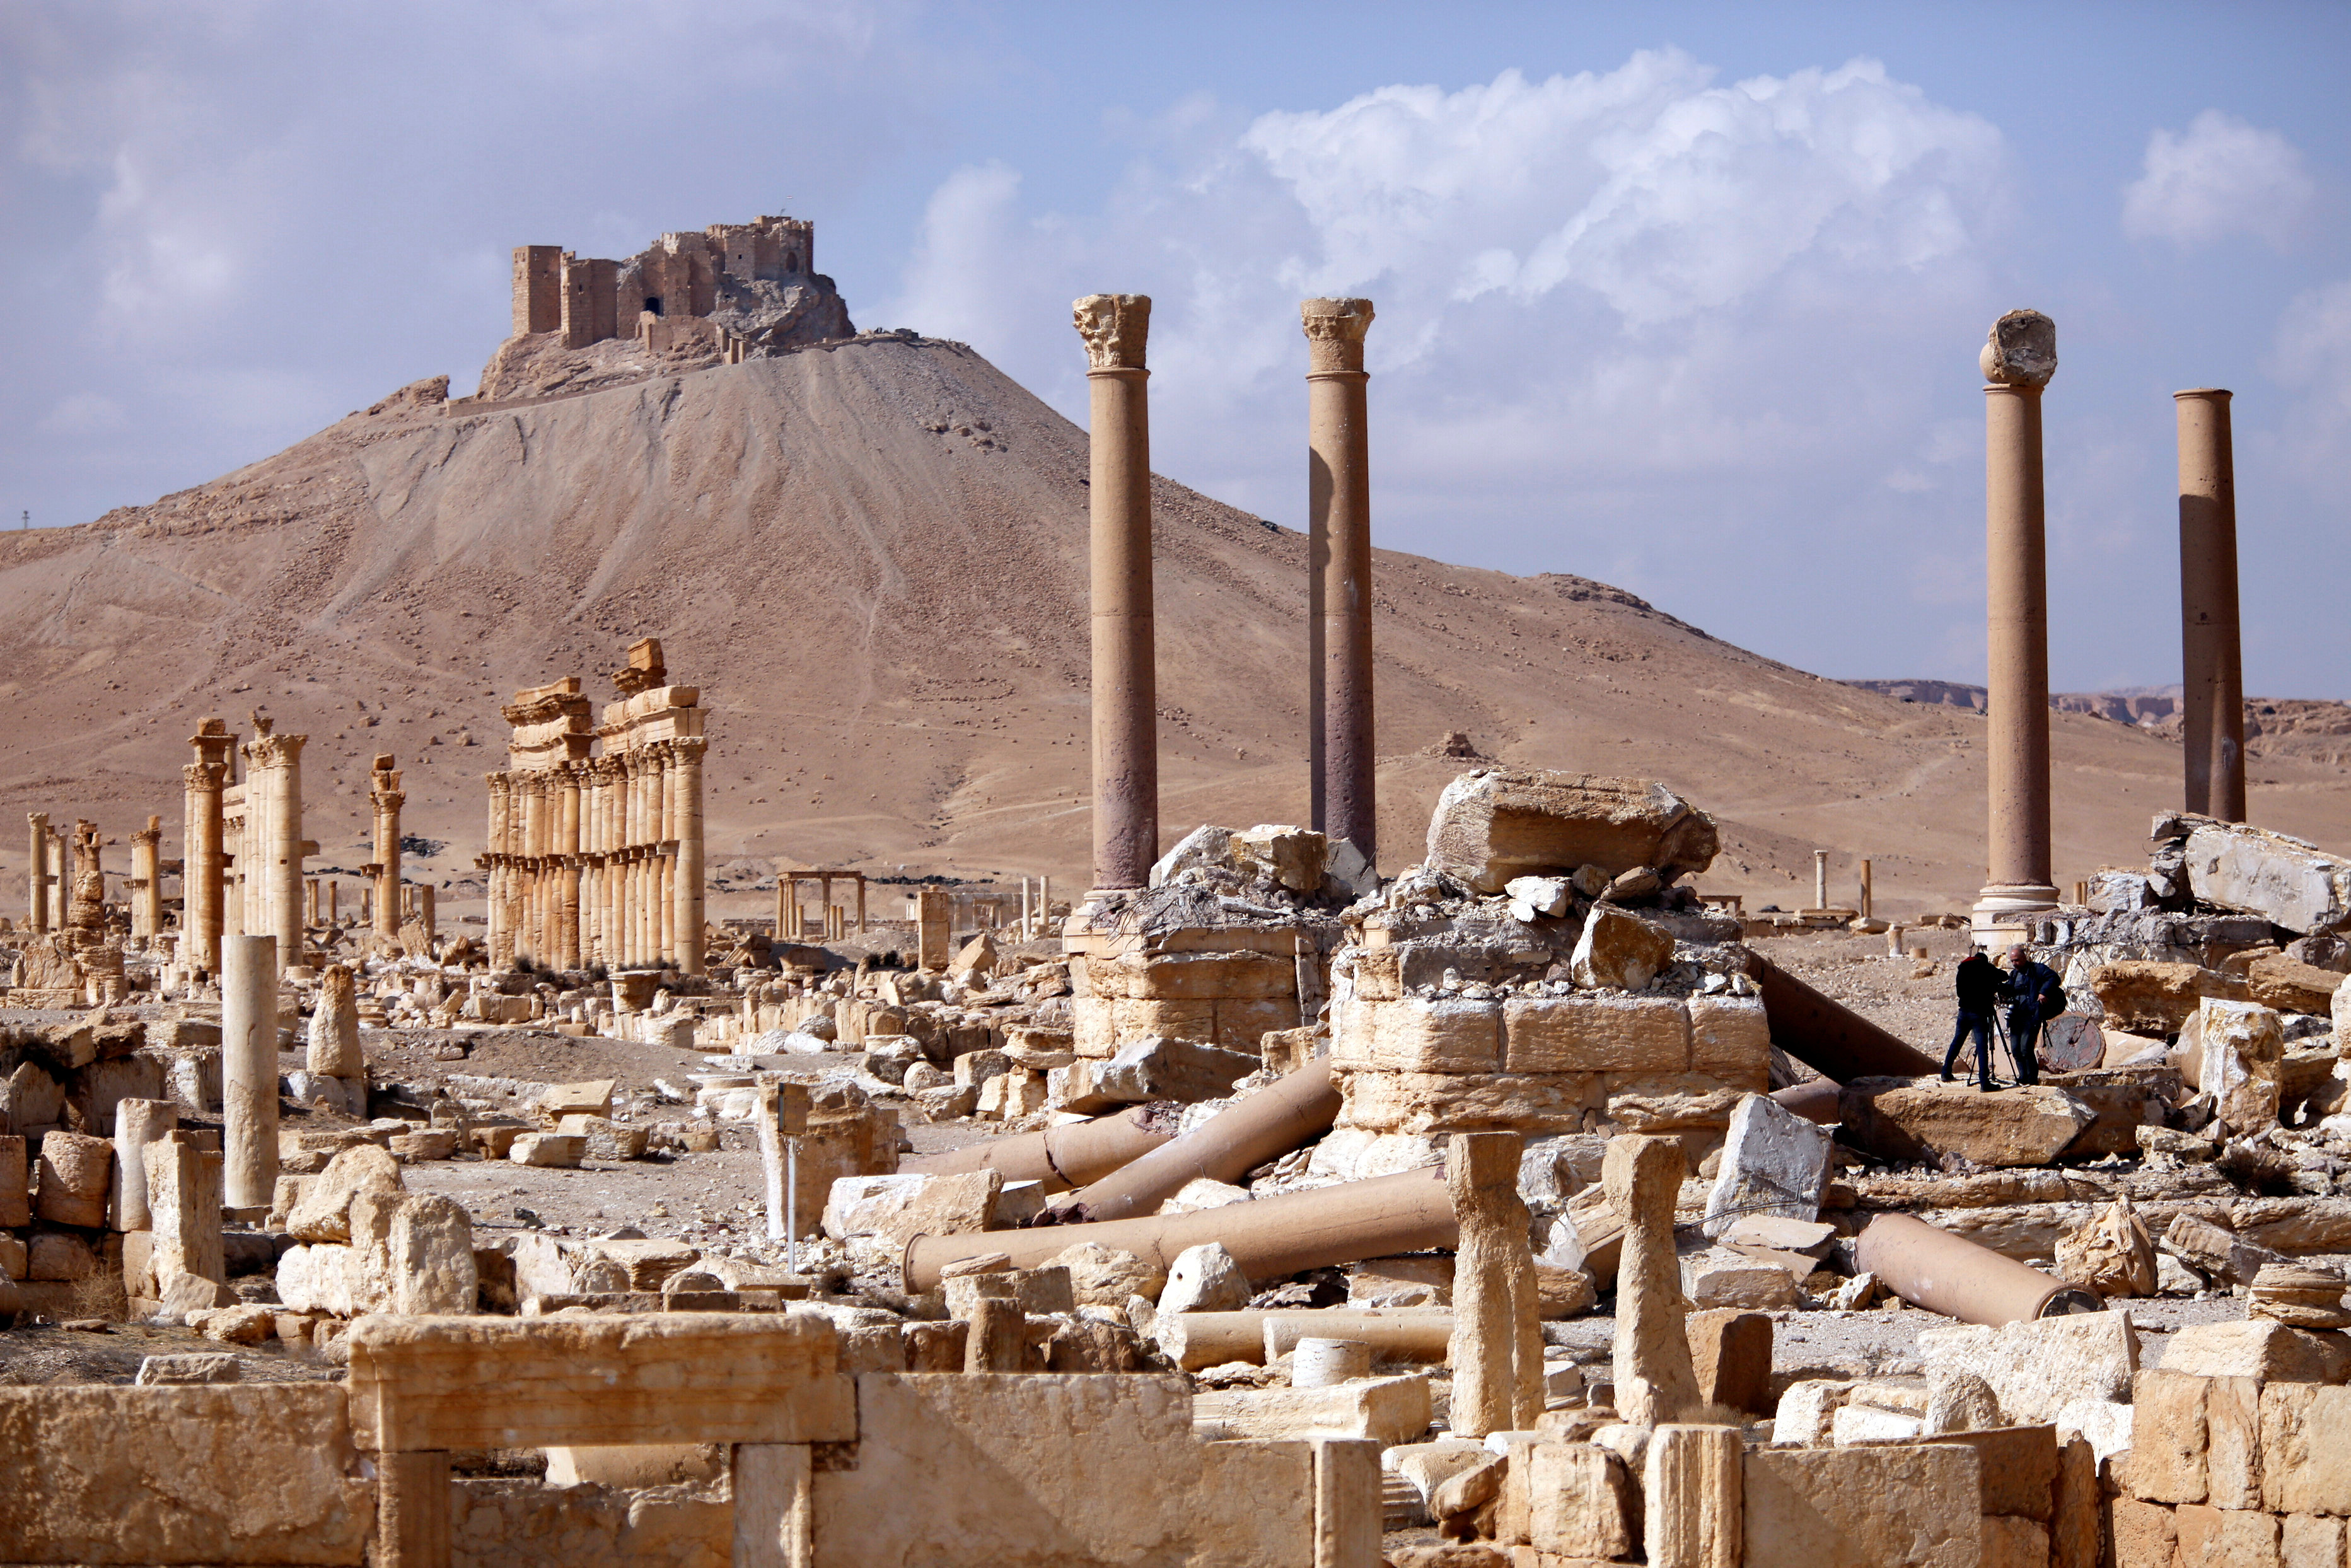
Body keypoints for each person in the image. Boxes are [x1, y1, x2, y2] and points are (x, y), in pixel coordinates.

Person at [2002, 944, 2065, 1087]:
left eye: (2017, 960)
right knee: (2016, 1050)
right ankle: (2023, 1078)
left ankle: (2032, 1080)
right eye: (2012, 961)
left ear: (2024, 958)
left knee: (2026, 1048)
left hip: (2032, 1016)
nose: (2015, 964)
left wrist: (2043, 992)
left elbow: (2054, 978)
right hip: (2016, 1016)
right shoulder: (2014, 975)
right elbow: (2009, 989)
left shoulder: (2037, 969)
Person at [1943, 949, 2004, 1090]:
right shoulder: (1985, 967)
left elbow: (1959, 992)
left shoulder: (1962, 969)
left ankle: (1946, 1072)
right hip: (1979, 1013)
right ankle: (1984, 1082)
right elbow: (2004, 976)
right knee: (1982, 1047)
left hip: (1963, 1012)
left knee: (1957, 1041)